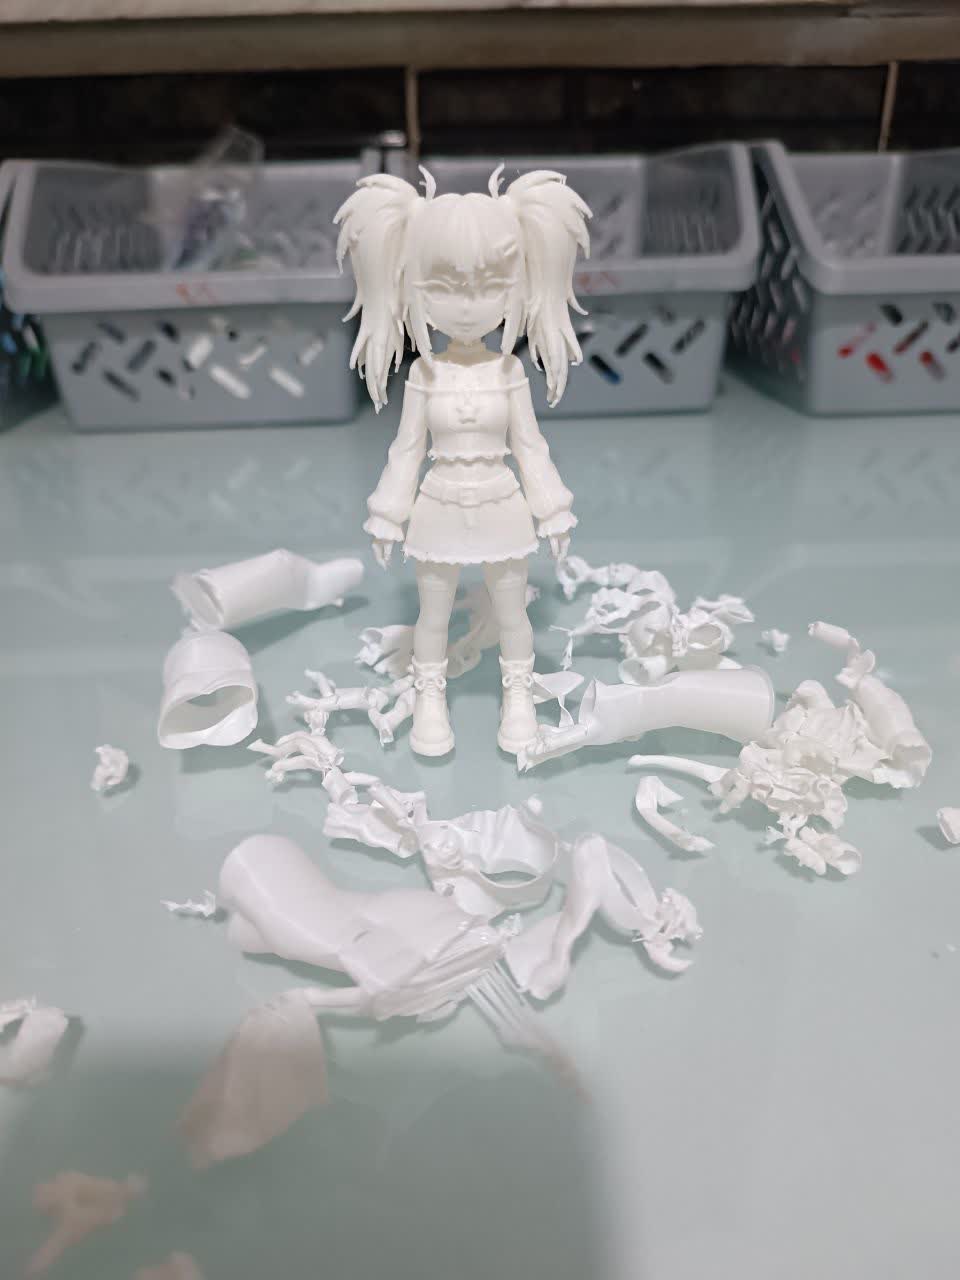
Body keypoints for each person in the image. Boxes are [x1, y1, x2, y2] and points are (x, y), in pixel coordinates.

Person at [335, 165, 590, 755]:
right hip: (439, 506)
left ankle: (518, 697)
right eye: (445, 287)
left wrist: (552, 509)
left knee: (512, 613)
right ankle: (430, 697)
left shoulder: (509, 371)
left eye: (491, 286)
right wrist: (387, 513)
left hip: (502, 505)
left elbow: (530, 446)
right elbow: (407, 449)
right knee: (433, 614)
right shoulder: (425, 375)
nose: (470, 306)